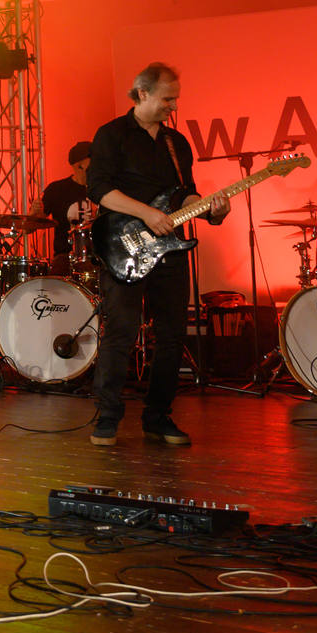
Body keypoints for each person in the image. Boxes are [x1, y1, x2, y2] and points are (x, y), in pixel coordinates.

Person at [85, 63, 229, 447]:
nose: (173, 106)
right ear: (143, 93)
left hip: (169, 248)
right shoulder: (112, 134)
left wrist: (210, 208)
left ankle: (158, 417)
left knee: (172, 335)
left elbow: (184, 193)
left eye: (176, 99)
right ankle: (108, 416)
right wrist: (147, 213)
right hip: (123, 245)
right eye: (168, 98)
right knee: (121, 331)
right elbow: (98, 189)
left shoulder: (175, 143)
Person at [39, 140, 97, 258]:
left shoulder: (103, 188)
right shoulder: (57, 189)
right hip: (66, 255)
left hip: (100, 256)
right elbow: (32, 225)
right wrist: (35, 212)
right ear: (79, 165)